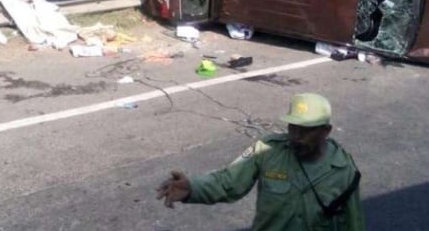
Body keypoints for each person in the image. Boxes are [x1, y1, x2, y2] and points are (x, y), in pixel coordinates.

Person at [156, 93, 364, 230]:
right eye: (293, 127)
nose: (297, 136)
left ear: (325, 131)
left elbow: (352, 222)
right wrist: (192, 188)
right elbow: (228, 182)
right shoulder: (267, 150)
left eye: (307, 130)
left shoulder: (343, 170)